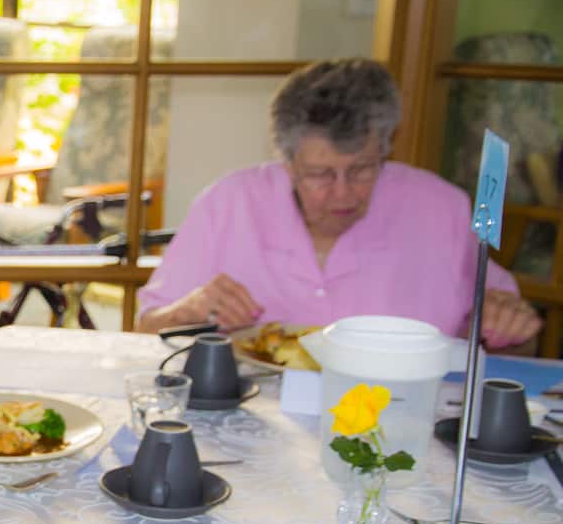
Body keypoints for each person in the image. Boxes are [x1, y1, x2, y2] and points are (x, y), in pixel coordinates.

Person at [135, 58, 542, 350]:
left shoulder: (442, 209)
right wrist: (190, 311)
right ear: (288, 163)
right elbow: (146, 331)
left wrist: (502, 325)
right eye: (321, 174)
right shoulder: (228, 204)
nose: (344, 193)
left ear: (385, 149)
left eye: (362, 169)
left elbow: (509, 341)